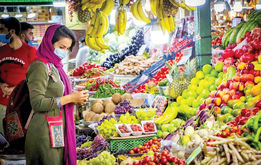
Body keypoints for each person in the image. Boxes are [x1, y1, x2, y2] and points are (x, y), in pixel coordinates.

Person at [25, 25, 88, 165]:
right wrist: (70, 98)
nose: (64, 51)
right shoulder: (39, 66)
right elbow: (37, 102)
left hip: (57, 127)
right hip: (44, 131)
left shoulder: (55, 66)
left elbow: (55, 94)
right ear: (49, 42)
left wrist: (74, 99)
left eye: (67, 48)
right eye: (61, 46)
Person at [0, 17, 36, 134]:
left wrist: (15, 89)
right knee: (3, 138)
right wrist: (1, 85)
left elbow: (35, 77)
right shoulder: (1, 51)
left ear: (12, 32)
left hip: (21, 104)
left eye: (1, 30)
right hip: (2, 103)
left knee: (19, 139)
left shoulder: (31, 51)